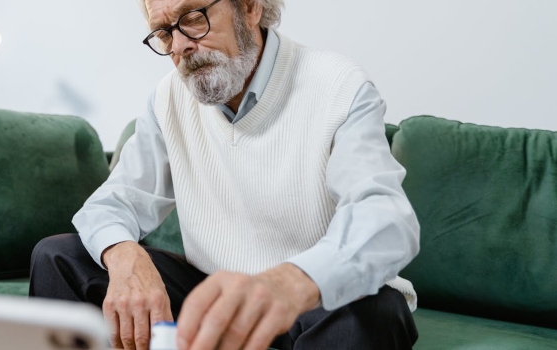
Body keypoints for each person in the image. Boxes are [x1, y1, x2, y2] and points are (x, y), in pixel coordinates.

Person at [30, 0, 420, 349]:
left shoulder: (340, 85)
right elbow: (112, 203)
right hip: (213, 299)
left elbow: (386, 219)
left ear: (249, 8)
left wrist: (288, 283)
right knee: (58, 257)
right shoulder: (169, 98)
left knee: (373, 309)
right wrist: (123, 254)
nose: (180, 45)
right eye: (164, 32)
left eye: (193, 18)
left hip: (310, 304)